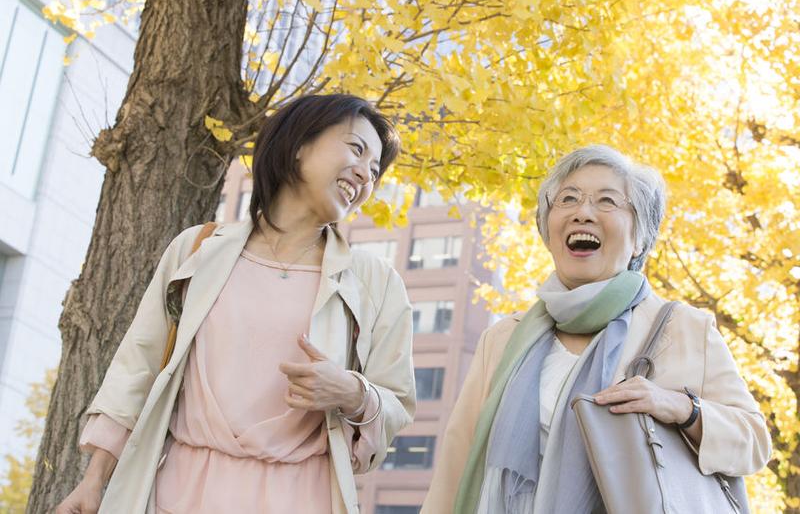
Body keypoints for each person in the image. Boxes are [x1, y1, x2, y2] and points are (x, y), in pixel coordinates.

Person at [57, 94, 415, 514]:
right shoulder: (196, 249)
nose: (365, 175)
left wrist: (352, 392)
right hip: (180, 491)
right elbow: (137, 367)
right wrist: (93, 482)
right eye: (356, 149)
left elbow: (396, 404)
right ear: (298, 144)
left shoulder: (377, 282)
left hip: (302, 496)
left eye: (375, 170)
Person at [421, 145, 771, 514]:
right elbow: (456, 465)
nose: (582, 213)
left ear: (639, 238)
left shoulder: (684, 328)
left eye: (607, 201)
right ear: (547, 228)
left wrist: (681, 408)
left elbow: (754, 442)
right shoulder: (504, 339)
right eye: (568, 199)